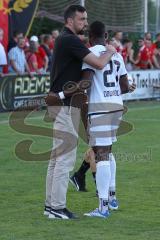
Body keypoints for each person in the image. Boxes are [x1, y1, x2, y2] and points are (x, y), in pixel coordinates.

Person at [44, 4, 116, 220]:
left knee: (56, 159)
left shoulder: (66, 40)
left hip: (61, 104)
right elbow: (99, 63)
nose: (85, 23)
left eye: (86, 20)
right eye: (82, 19)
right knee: (64, 159)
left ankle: (51, 206)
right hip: (65, 106)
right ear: (69, 21)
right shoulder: (70, 40)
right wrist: (111, 51)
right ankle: (57, 207)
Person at [70, 21, 135, 218]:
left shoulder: (90, 53)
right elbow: (124, 86)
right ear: (106, 36)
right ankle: (112, 198)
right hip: (116, 105)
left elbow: (87, 81)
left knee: (101, 154)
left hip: (99, 107)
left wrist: (71, 90)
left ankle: (103, 207)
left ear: (90, 37)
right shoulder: (115, 54)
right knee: (106, 151)